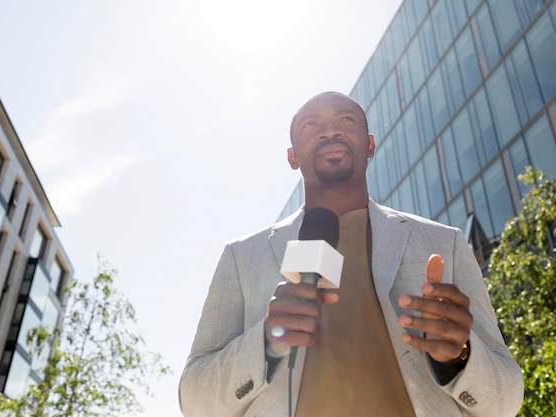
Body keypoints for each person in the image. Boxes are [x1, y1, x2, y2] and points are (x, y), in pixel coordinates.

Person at [179, 92, 524, 416]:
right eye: (311, 124)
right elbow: (195, 399)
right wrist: (267, 341)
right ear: (292, 156)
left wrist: (459, 356)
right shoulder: (242, 257)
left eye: (346, 120)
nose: (330, 130)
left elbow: (506, 401)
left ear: (370, 145)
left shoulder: (443, 242)